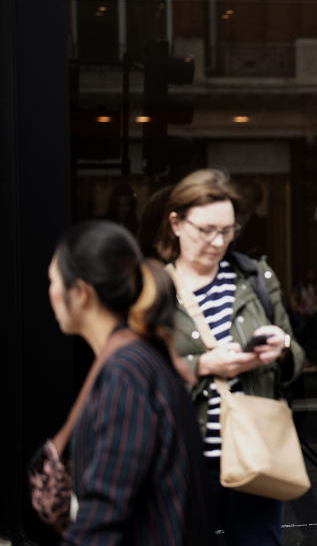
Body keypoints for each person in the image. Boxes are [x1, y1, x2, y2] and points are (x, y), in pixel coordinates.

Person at [156, 169, 305, 545]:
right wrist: (203, 365)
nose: (217, 241)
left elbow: (297, 356)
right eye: (205, 230)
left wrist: (282, 348)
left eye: (227, 230)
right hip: (185, 461)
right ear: (176, 223)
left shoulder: (255, 278)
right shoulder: (154, 290)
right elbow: (139, 377)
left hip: (256, 455)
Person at [47, 220, 210, 544]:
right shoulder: (143, 356)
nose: (50, 292)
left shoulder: (125, 374)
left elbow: (105, 514)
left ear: (81, 293)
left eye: (53, 280)